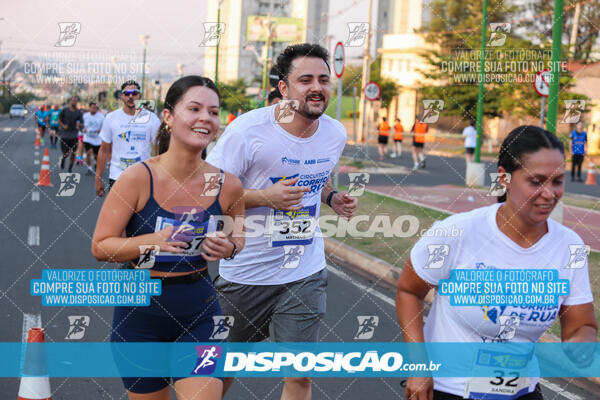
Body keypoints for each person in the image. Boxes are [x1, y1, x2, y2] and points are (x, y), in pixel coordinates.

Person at [396, 125, 597, 400]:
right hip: (449, 391)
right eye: (536, 182)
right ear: (504, 177)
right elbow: (409, 291)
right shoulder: (458, 232)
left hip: (522, 391)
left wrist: (581, 344)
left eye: (557, 181)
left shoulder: (568, 246)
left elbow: (580, 325)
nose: (550, 193)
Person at [206, 43, 358, 399]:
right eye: (305, 80)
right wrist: (264, 198)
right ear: (284, 88)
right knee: (222, 367)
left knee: (299, 376)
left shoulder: (334, 133)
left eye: (323, 78)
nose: (316, 87)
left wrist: (331, 197)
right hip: (246, 272)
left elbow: (315, 176)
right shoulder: (249, 131)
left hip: (303, 271)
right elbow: (209, 190)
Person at [91, 75, 245, 400]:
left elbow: (238, 237)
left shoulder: (228, 185)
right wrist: (152, 242)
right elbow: (101, 246)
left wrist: (227, 246)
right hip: (140, 316)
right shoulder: (136, 179)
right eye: (194, 108)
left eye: (214, 112)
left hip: (200, 310)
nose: (206, 118)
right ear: (168, 116)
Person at [95, 80, 161, 196]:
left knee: (141, 214)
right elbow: (104, 150)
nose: (131, 96)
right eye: (127, 93)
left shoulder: (152, 119)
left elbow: (159, 149)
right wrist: (98, 178)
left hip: (144, 177)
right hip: (117, 177)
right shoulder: (111, 118)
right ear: (121, 96)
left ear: (140, 96)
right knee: (118, 214)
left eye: (134, 93)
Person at [58, 97, 83, 172]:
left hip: (74, 135)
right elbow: (59, 119)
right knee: (66, 153)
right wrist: (63, 126)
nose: (74, 102)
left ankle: (70, 167)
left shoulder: (78, 112)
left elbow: (81, 123)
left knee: (73, 153)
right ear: (70, 102)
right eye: (73, 101)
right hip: (65, 135)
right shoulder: (65, 110)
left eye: (75, 101)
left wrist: (79, 125)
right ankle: (63, 159)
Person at [81, 102, 105, 175]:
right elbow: (81, 125)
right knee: (88, 152)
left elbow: (104, 128)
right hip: (87, 138)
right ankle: (89, 168)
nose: (94, 109)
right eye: (92, 107)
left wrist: (100, 130)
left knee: (96, 156)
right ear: (89, 108)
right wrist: (83, 129)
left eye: (95, 108)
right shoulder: (85, 116)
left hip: (97, 139)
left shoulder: (101, 117)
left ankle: (95, 162)